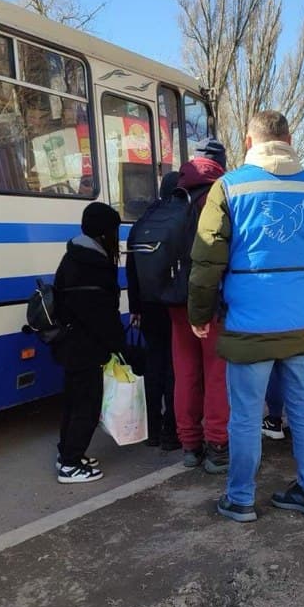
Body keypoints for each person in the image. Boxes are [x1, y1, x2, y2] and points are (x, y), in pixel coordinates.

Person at [188, 110, 304, 522]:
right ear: (289, 140)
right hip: (299, 322)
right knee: (302, 406)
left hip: (248, 325)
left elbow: (207, 260)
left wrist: (200, 312)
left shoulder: (229, 187)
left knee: (245, 414)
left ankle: (240, 498)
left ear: (248, 142)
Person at [51, 202, 126, 483]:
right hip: (87, 348)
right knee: (87, 406)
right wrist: (120, 346)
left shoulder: (72, 256)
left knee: (73, 402)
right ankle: (70, 465)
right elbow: (101, 316)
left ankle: (67, 453)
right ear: (104, 232)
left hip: (70, 344)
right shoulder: (94, 265)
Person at [169, 141, 230, 473]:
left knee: (186, 373)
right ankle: (217, 445)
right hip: (211, 301)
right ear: (220, 165)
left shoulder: (174, 195)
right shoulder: (220, 197)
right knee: (217, 373)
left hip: (176, 299)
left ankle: (190, 445)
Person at [126, 172, 180, 450]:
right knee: (175, 368)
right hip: (175, 305)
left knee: (153, 365)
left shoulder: (143, 221)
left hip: (147, 306)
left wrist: (135, 306)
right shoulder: (182, 218)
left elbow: (131, 268)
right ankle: (172, 431)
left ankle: (153, 431)